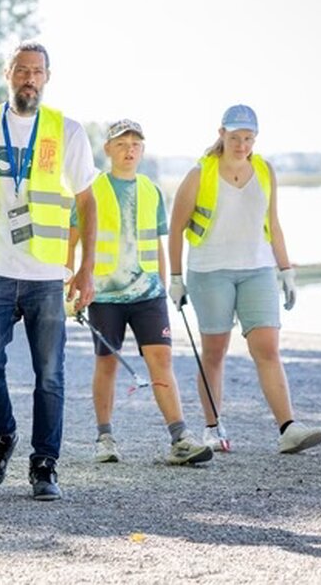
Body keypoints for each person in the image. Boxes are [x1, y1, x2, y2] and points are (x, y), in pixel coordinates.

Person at [0, 40, 98, 501]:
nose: (29, 78)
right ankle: (2, 436)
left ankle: (44, 464)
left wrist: (85, 269)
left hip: (47, 275)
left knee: (50, 373)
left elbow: (87, 203)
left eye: (37, 72)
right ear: (7, 73)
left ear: (47, 78)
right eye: (21, 70)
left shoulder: (67, 131)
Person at [168, 104, 321, 454]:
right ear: (221, 134)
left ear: (256, 138)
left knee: (268, 348)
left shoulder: (265, 170)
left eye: (248, 138)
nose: (241, 145)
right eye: (235, 137)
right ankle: (212, 428)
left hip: (257, 269)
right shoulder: (200, 173)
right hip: (210, 272)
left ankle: (288, 428)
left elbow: (275, 224)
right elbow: (175, 228)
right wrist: (176, 278)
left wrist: (286, 271)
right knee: (215, 352)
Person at [68, 119, 212, 466]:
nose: (129, 150)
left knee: (161, 361)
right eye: (121, 144)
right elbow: (70, 240)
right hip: (104, 295)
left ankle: (180, 439)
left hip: (148, 294)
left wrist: (165, 286)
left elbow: (157, 244)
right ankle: (105, 438)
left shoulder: (151, 190)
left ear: (143, 149)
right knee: (107, 365)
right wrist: (69, 286)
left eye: (135, 144)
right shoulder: (92, 190)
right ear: (108, 150)